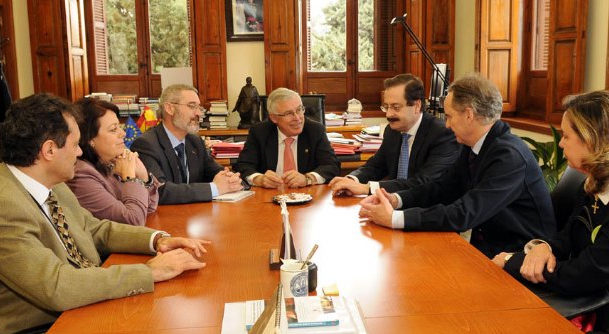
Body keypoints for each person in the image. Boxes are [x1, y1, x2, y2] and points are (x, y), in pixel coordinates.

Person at [0, 93, 209, 334]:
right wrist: (148, 272)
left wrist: (157, 240)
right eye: (74, 145)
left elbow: (96, 229)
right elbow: (56, 286)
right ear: (48, 150)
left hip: (83, 316)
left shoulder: (48, 182)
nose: (81, 153)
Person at [359, 74, 556, 257]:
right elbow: (442, 188)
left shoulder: (508, 157)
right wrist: (397, 200)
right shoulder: (474, 145)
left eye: (450, 116)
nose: (446, 124)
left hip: (520, 260)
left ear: (469, 115)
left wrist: (395, 218)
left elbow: (465, 213)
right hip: (487, 251)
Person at [492, 90, 609, 306]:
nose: (561, 144)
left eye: (566, 136)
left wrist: (513, 261)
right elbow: (567, 236)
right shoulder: (591, 183)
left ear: (592, 140)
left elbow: (586, 273)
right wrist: (544, 247)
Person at [329, 74, 459, 196]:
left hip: (425, 210)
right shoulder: (392, 131)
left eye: (396, 107)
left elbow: (422, 182)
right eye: (386, 107)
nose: (388, 114)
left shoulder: (442, 134)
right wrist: (352, 179)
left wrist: (367, 188)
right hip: (391, 206)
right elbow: (376, 166)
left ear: (417, 106)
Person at [131, 84, 243, 204]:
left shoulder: (195, 141)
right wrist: (215, 188)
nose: (199, 114)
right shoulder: (146, 144)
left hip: (196, 216)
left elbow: (215, 171)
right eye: (192, 106)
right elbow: (159, 191)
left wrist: (231, 179)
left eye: (199, 107)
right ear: (170, 108)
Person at [66, 98, 160, 225]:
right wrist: (130, 179)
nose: (123, 133)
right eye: (113, 129)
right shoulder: (81, 175)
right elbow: (133, 221)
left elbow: (150, 208)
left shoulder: (111, 161)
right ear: (90, 139)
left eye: (119, 127)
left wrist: (143, 176)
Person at [235, 87, 340, 188]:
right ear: (274, 118)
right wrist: (259, 179)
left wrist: (307, 179)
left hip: (308, 196)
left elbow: (332, 166)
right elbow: (243, 165)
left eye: (299, 109)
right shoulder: (259, 132)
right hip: (269, 196)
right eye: (289, 113)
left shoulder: (315, 130)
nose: (298, 118)